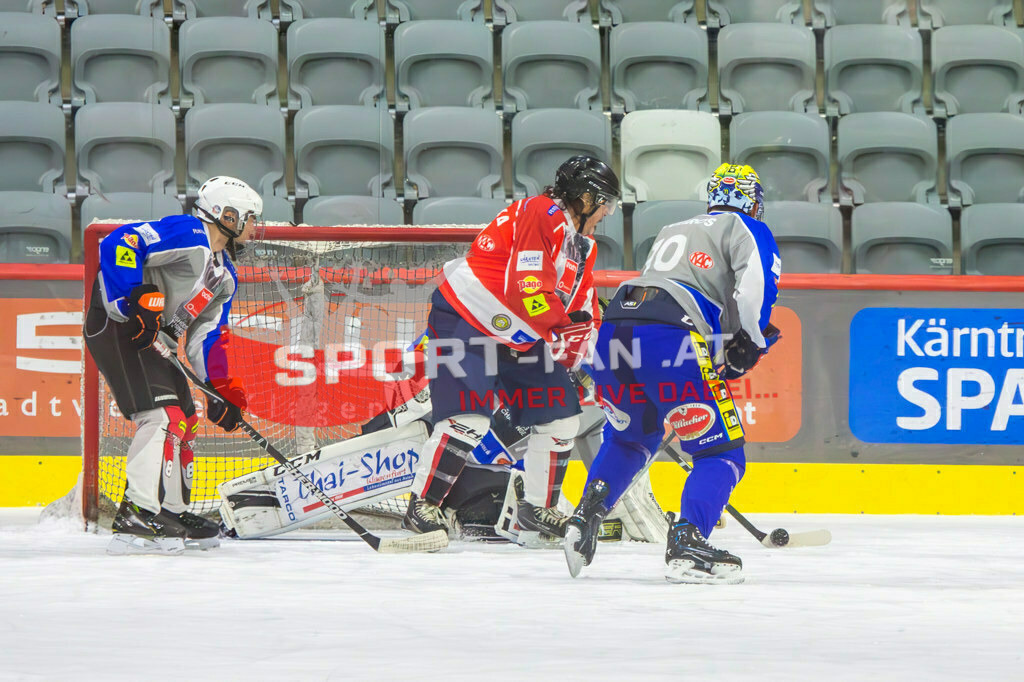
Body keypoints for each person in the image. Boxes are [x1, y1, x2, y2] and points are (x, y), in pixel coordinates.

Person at [564, 163, 782, 583]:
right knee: (720, 452)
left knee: (633, 438)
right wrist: (751, 343)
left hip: (616, 331)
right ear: (753, 200)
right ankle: (689, 543)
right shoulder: (746, 226)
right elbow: (753, 290)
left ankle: (583, 520)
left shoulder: (675, 228)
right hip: (669, 337)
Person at [402, 155, 621, 542]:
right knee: (470, 421)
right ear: (585, 198)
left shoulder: (582, 245)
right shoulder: (543, 212)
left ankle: (539, 508)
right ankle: (423, 505)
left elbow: (584, 309)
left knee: (561, 420)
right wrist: (559, 330)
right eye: (604, 202)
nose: (606, 212)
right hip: (465, 321)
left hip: (519, 335)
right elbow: (529, 287)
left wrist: (588, 352)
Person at [84, 176, 262, 555]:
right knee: (161, 416)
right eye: (250, 218)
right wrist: (136, 293)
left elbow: (206, 336)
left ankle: (171, 512)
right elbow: (122, 241)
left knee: (185, 416)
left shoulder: (224, 276)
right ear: (226, 215)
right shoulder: (190, 233)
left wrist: (221, 389)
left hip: (155, 338)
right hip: (119, 323)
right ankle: (137, 512)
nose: (254, 227)